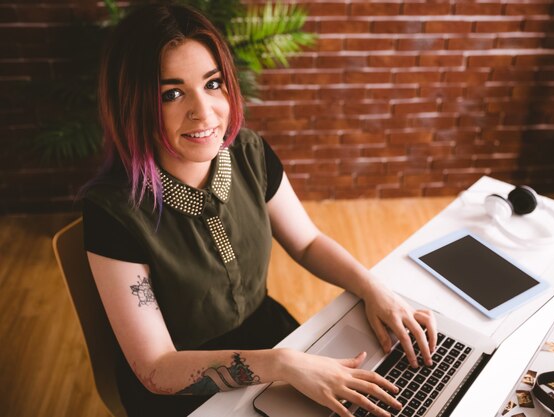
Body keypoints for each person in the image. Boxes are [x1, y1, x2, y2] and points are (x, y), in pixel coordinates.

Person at [82, 4, 437, 417]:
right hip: (181, 388)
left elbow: (306, 243)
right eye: (172, 94)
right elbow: (155, 368)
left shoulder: (249, 153)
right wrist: (280, 364)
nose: (204, 111)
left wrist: (375, 290)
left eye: (213, 84)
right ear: (132, 103)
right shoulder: (113, 213)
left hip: (268, 335)